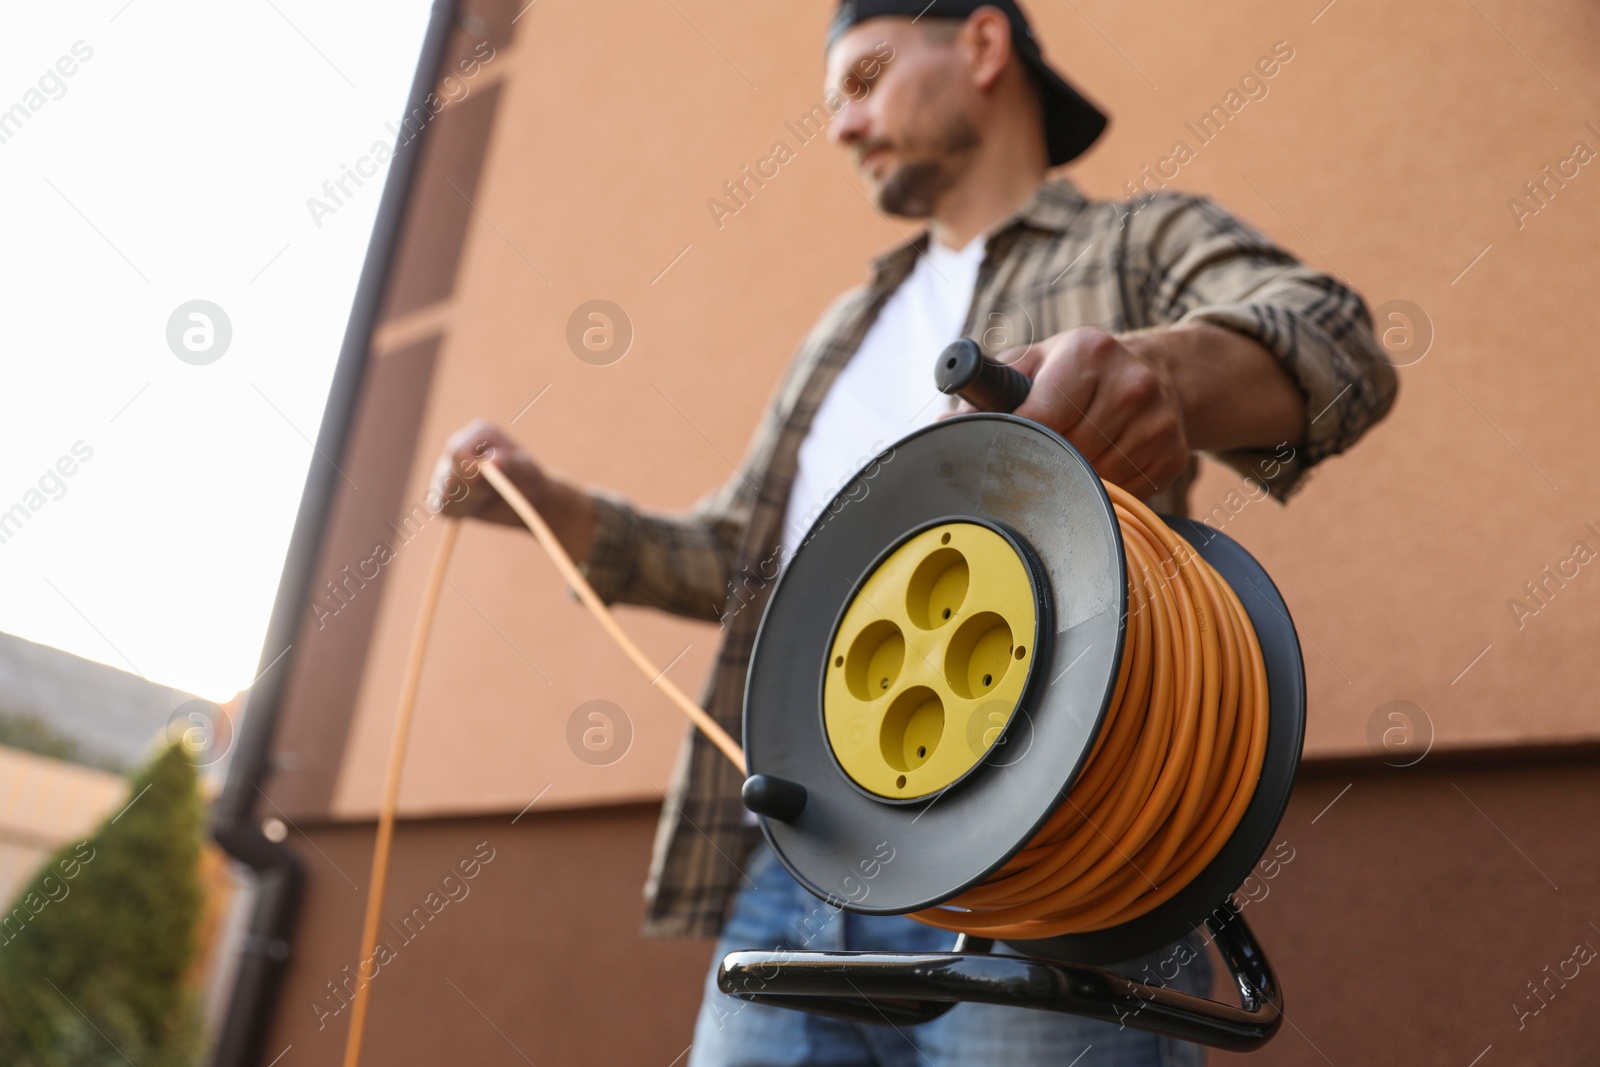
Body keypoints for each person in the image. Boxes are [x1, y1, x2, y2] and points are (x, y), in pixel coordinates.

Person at [431, 0, 1397, 1062]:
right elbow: (740, 567)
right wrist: (539, 500)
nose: (839, 126)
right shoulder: (842, 333)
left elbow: (1338, 340)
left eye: (862, 82)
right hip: (800, 879)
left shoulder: (1138, 237)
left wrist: (1165, 370)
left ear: (983, 45)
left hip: (1053, 884)